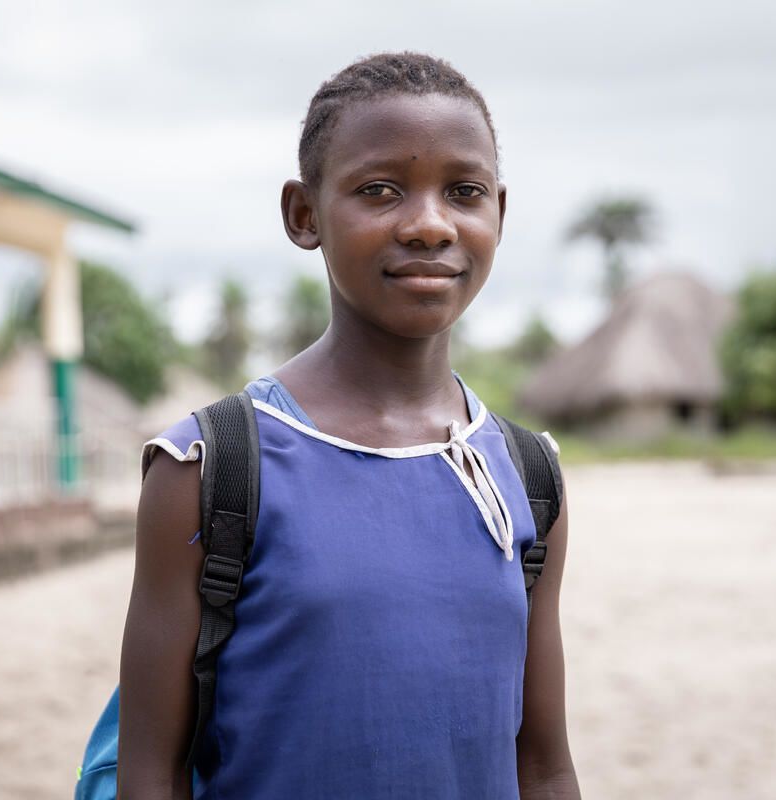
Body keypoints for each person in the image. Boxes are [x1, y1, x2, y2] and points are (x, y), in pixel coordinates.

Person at [118, 51, 579, 799]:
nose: (429, 225)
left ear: (499, 212)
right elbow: (148, 773)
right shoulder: (209, 470)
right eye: (379, 190)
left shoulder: (526, 475)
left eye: (464, 192)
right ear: (304, 215)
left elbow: (545, 767)